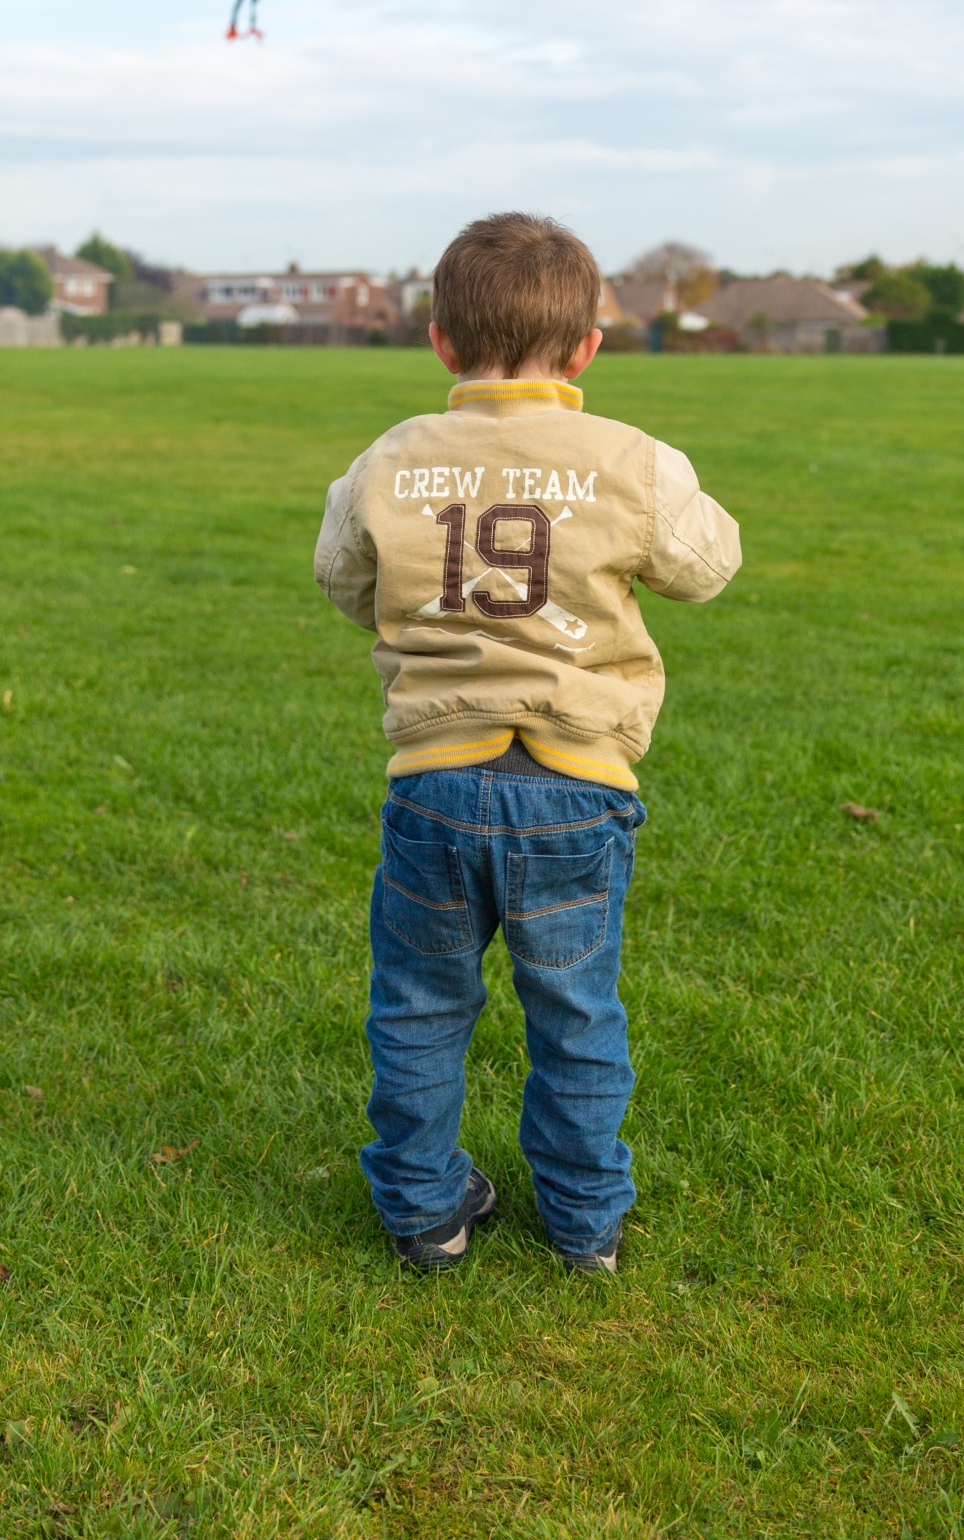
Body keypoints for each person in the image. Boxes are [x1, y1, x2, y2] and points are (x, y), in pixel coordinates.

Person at [314, 213, 741, 1272]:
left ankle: (423, 1213)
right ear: (588, 345)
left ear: (441, 343)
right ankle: (584, 1222)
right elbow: (707, 565)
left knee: (417, 1006)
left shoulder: (391, 457)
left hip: (435, 780)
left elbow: (342, 578)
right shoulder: (626, 460)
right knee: (574, 1010)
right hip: (576, 786)